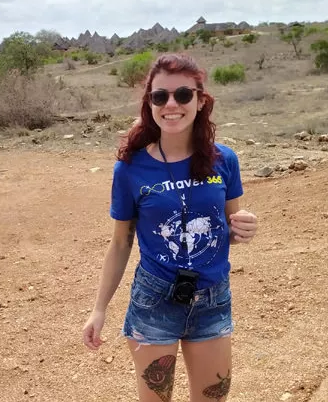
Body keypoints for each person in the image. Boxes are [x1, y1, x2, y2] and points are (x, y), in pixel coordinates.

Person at [82, 53, 258, 402]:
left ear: (200, 100)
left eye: (183, 94)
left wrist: (244, 229)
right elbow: (120, 244)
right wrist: (99, 309)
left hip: (212, 299)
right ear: (149, 103)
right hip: (154, 301)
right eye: (160, 96)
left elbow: (229, 230)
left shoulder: (224, 160)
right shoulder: (131, 169)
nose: (171, 104)